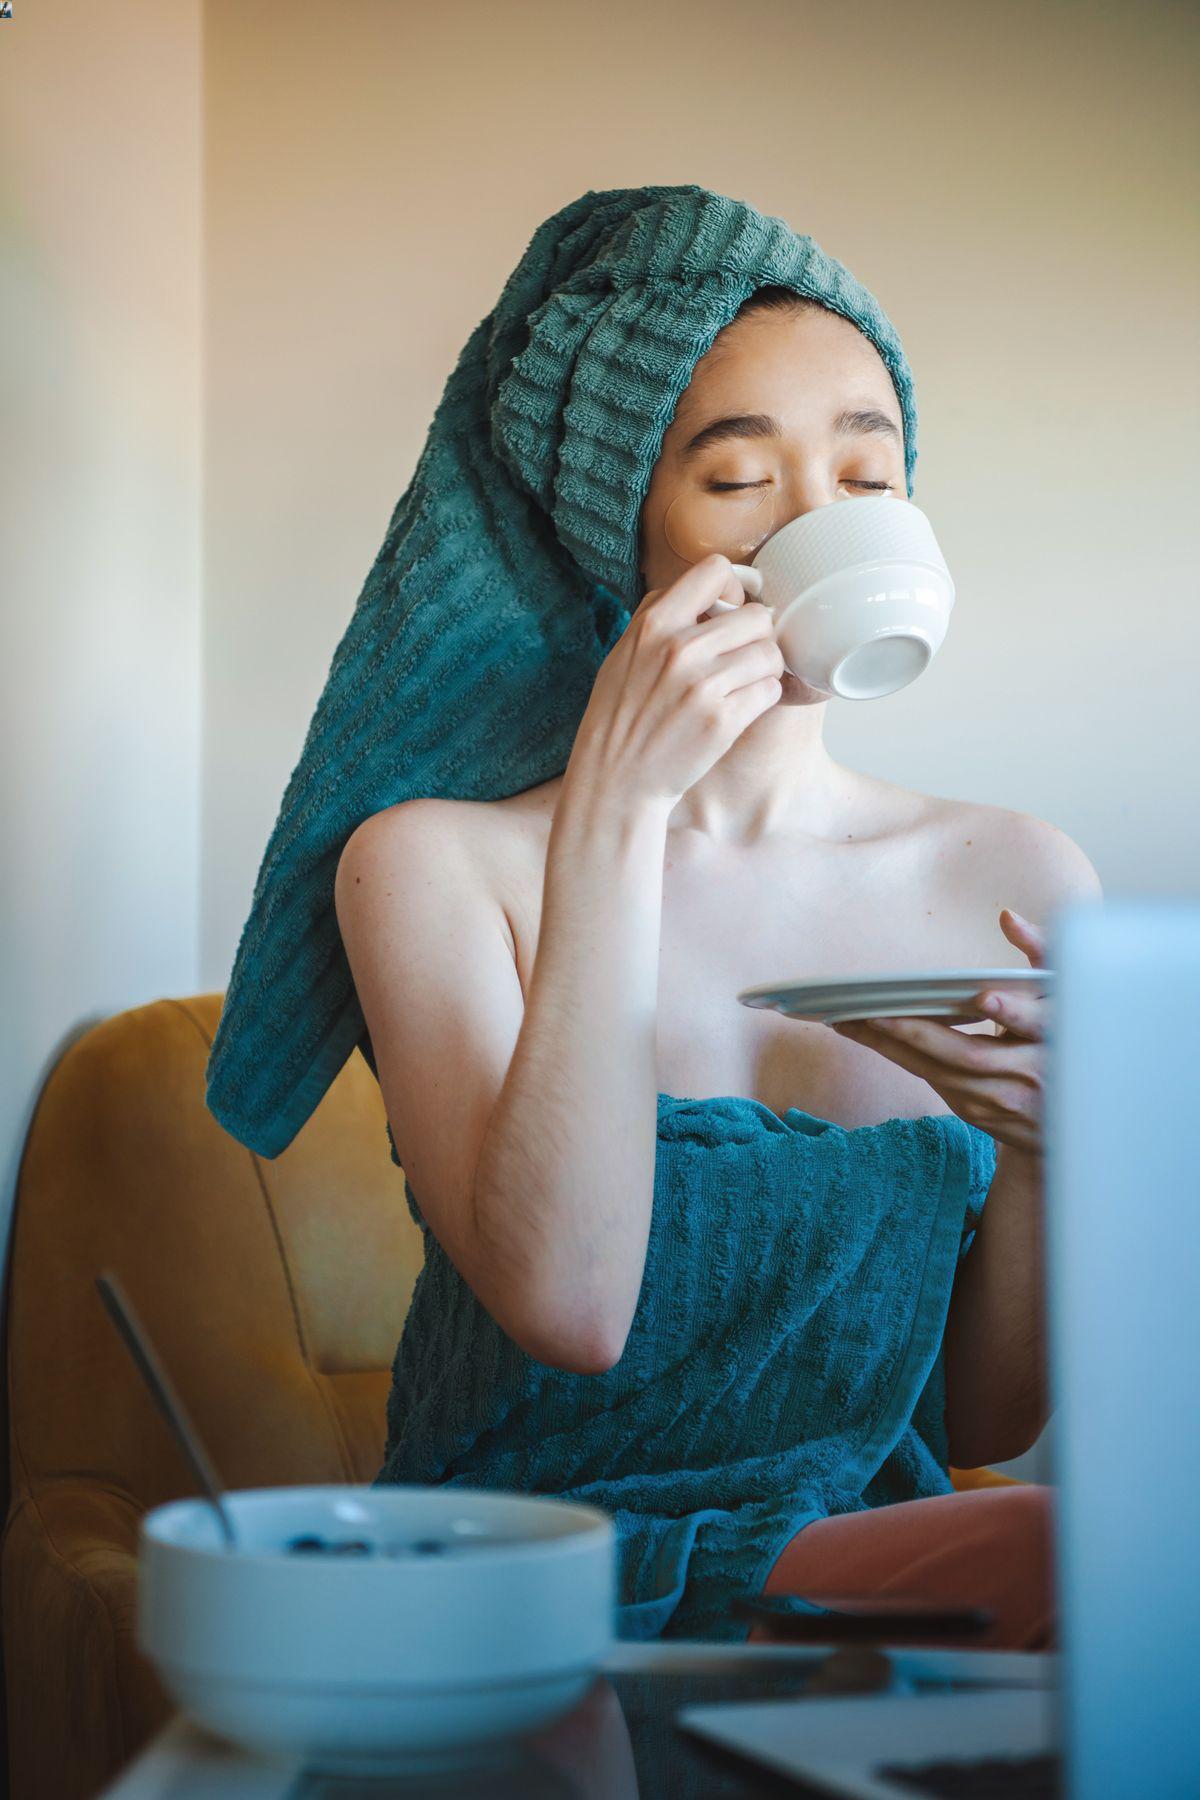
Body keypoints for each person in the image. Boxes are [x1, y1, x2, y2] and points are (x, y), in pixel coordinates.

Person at [333, 252, 1100, 1650]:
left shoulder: (1017, 880)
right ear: (620, 535)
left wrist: (1049, 1157)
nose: (819, 521)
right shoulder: (432, 866)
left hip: (865, 1578)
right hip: (524, 1582)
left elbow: (981, 1421)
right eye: (741, 480)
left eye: (866, 480)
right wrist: (616, 812)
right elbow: (572, 1310)